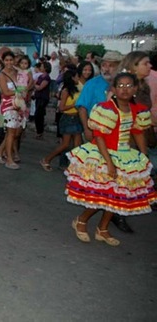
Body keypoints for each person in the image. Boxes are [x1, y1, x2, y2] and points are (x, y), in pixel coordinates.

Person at [66, 72, 155, 246]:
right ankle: (81, 221)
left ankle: (103, 228)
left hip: (125, 155)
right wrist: (109, 162)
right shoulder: (106, 108)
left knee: (117, 197)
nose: (124, 89)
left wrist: (144, 157)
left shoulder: (137, 110)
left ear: (135, 88)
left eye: (129, 85)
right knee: (102, 195)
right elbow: (99, 136)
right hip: (103, 154)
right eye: (120, 86)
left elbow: (138, 133)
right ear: (113, 89)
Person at [40, 69, 83, 171]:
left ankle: (75, 167)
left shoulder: (76, 89)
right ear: (72, 77)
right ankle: (46, 159)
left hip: (76, 117)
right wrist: (74, 105)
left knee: (77, 145)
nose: (78, 78)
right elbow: (61, 107)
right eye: (77, 76)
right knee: (65, 144)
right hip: (68, 118)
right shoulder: (66, 90)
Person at [0, 51, 28, 169]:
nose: (9, 62)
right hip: (8, 105)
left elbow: (26, 84)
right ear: (3, 61)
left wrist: (23, 92)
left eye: (11, 60)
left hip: (19, 104)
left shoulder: (18, 72)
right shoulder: (2, 75)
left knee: (14, 132)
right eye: (6, 60)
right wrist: (19, 91)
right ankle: (9, 159)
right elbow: (6, 92)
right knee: (11, 132)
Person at [32, 61, 52, 140]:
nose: (41, 67)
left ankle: (40, 132)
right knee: (38, 115)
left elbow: (40, 87)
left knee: (39, 114)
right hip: (38, 97)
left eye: (42, 66)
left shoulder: (46, 77)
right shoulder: (41, 76)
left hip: (43, 97)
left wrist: (35, 85)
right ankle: (39, 131)